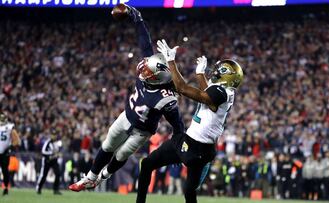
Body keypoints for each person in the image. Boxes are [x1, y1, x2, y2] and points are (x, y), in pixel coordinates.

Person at [69, 4, 184, 192]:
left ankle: (103, 177)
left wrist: (178, 148)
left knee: (121, 154)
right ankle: (89, 178)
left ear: (156, 77)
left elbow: (178, 125)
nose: (143, 70)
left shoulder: (166, 98)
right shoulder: (151, 64)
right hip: (126, 116)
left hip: (142, 131)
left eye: (147, 71)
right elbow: (144, 41)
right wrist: (136, 17)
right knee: (107, 145)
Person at [136, 39, 244, 203]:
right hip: (187, 140)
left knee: (189, 190)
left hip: (199, 150)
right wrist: (200, 75)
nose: (216, 71)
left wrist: (171, 60)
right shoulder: (222, 92)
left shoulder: (223, 92)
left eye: (221, 70)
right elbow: (207, 93)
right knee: (147, 164)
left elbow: (183, 88)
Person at [36, 130, 62, 195]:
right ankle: (38, 188)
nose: (54, 136)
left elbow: (57, 151)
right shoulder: (47, 142)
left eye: (55, 135)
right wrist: (52, 153)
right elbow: (43, 151)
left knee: (58, 174)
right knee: (43, 175)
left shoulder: (57, 143)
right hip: (47, 161)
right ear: (51, 135)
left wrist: (58, 154)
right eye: (53, 135)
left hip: (54, 160)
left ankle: (55, 190)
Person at [0, 113, 20, 196]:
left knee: (5, 171)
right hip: (3, 151)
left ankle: (5, 188)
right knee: (5, 171)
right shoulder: (8, 127)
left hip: (4, 152)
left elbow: (16, 140)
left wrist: (10, 148)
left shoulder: (9, 127)